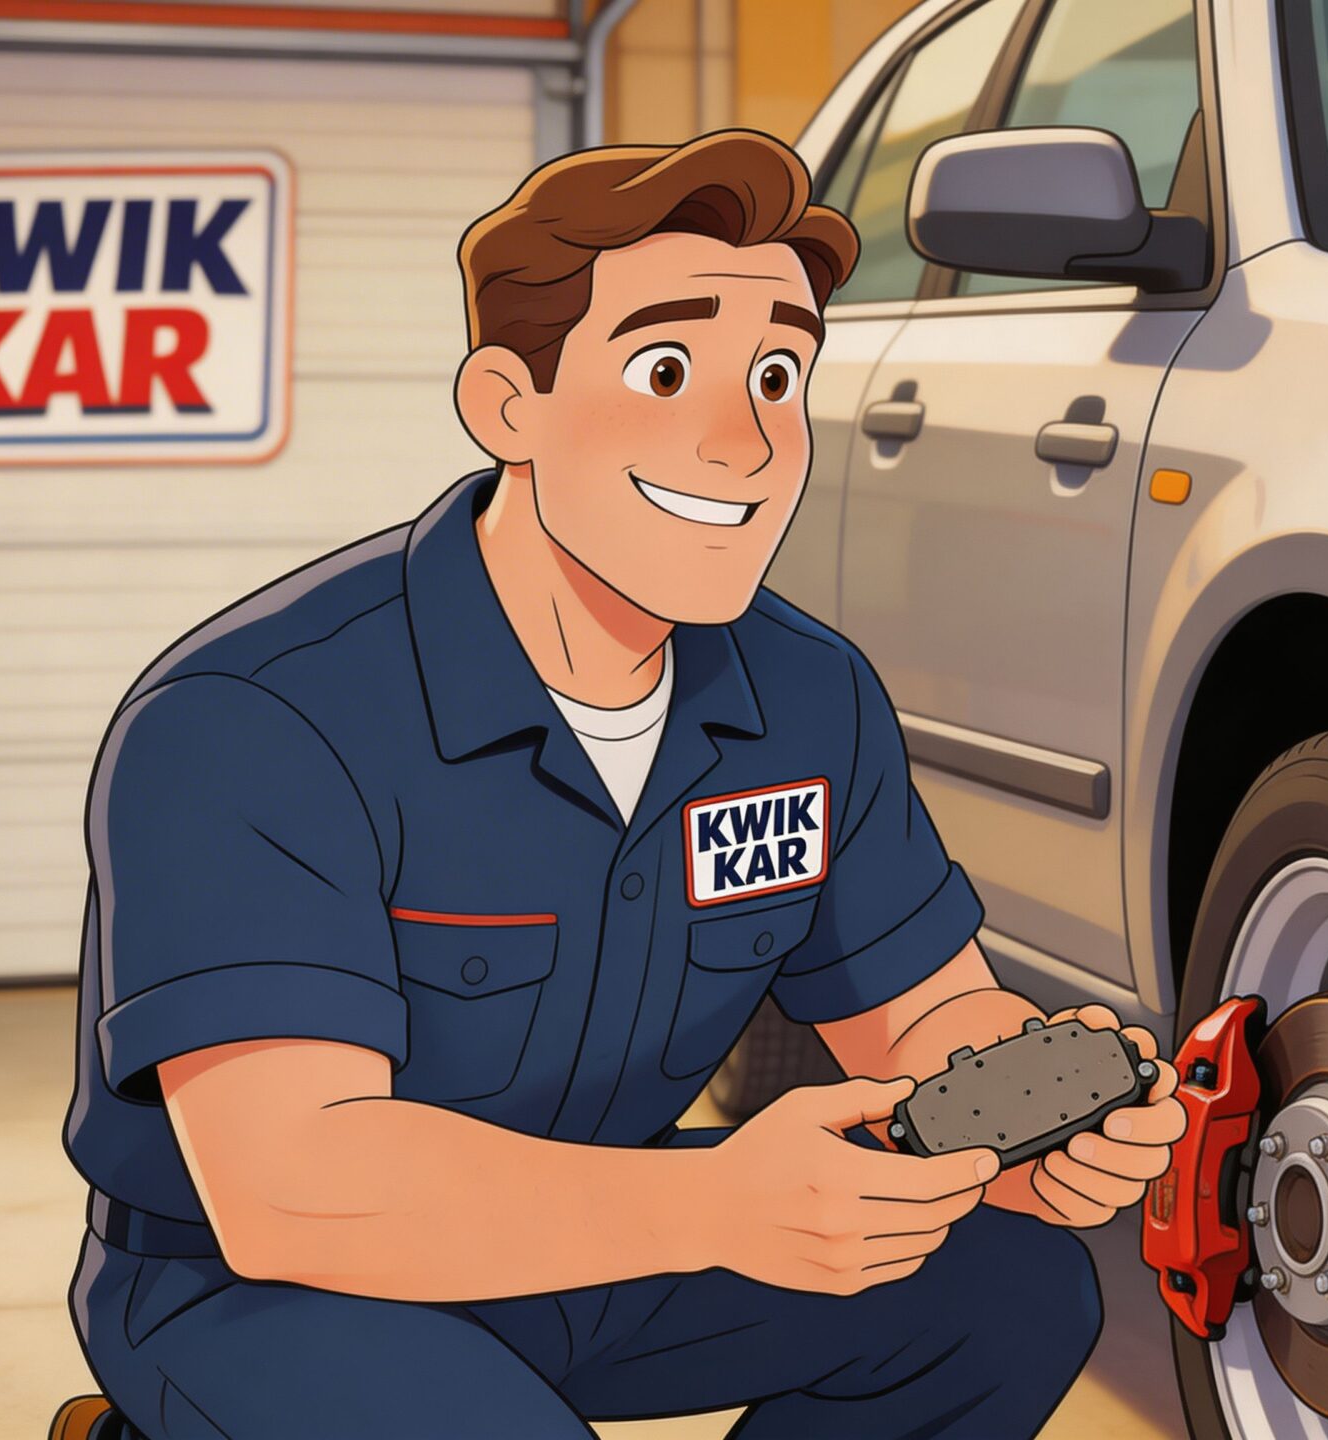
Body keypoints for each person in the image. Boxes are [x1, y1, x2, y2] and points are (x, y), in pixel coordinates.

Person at [60, 129, 1185, 1439]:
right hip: (259, 1281)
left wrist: (1022, 1129)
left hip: (604, 1242)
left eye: (776, 373)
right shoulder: (252, 718)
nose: (745, 442)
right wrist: (718, 1206)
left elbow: (922, 1020)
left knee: (1012, 1287)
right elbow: (289, 1183)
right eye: (665, 368)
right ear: (506, 406)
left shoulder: (810, 700)